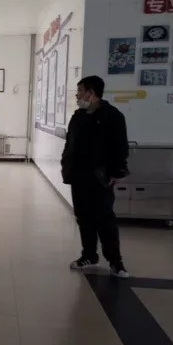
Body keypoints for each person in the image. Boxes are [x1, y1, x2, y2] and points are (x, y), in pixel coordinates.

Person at [61, 75, 130, 278]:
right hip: (79, 175)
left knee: (105, 218)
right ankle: (89, 255)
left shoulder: (112, 116)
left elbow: (120, 147)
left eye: (80, 91)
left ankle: (115, 261)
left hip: (100, 177)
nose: (77, 95)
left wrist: (118, 172)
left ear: (91, 93)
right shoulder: (78, 116)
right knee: (83, 218)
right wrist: (66, 166)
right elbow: (70, 144)